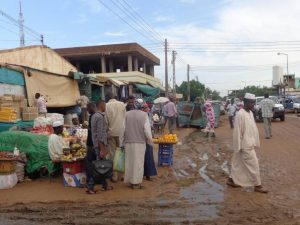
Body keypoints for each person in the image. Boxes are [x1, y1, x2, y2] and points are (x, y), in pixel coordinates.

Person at [227, 93, 268, 194]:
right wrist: (238, 146)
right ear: (245, 102)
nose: (253, 105)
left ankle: (231, 180)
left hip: (249, 142)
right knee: (254, 165)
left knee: (237, 163)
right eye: (251, 103)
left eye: (254, 103)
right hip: (245, 145)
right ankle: (258, 185)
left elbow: (252, 128)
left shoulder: (249, 113)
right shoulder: (240, 114)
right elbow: (237, 132)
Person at [123, 98, 153, 189]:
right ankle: (136, 183)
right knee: (138, 163)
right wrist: (150, 141)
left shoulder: (126, 114)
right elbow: (147, 130)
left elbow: (122, 129)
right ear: (142, 106)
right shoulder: (144, 115)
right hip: (140, 143)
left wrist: (121, 141)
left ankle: (130, 181)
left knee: (129, 162)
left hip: (128, 142)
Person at [89, 100, 113, 194]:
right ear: (102, 105)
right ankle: (90, 186)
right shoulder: (99, 117)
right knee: (98, 167)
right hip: (99, 145)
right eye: (105, 105)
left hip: (97, 144)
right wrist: (102, 149)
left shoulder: (95, 116)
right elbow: (99, 134)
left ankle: (105, 185)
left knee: (102, 166)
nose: (105, 107)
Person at [105, 92, 126, 182]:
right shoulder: (122, 104)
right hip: (121, 132)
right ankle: (122, 175)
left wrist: (106, 131)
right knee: (121, 152)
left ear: (107, 98)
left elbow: (106, 120)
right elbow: (124, 117)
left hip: (111, 132)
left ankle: (114, 176)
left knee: (112, 154)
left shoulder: (106, 105)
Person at [142, 102, 157, 181]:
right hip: (145, 139)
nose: (147, 109)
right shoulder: (143, 116)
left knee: (147, 157)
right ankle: (146, 175)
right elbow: (146, 130)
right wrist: (150, 139)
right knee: (147, 157)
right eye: (145, 107)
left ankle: (147, 175)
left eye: (147, 107)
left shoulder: (148, 115)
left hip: (146, 138)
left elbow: (151, 125)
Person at [85, 103, 97, 194]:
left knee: (95, 165)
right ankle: (91, 183)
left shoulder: (96, 117)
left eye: (88, 108)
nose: (87, 110)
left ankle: (91, 184)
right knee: (93, 164)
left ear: (93, 107)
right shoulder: (91, 116)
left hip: (94, 145)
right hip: (90, 144)